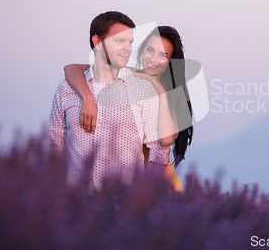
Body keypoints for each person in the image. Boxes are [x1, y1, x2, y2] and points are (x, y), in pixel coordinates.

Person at [49, 11, 169, 192]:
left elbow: (159, 151)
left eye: (130, 42)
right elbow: (55, 144)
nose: (128, 48)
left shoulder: (143, 89)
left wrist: (144, 193)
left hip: (124, 204)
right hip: (77, 203)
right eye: (120, 41)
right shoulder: (66, 89)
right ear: (97, 42)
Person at [64, 26, 194, 192]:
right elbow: (71, 69)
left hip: (158, 184)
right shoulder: (125, 76)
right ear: (141, 51)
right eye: (150, 50)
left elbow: (167, 139)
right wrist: (87, 97)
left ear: (170, 62)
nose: (153, 59)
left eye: (163, 55)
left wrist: (159, 89)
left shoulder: (172, 96)